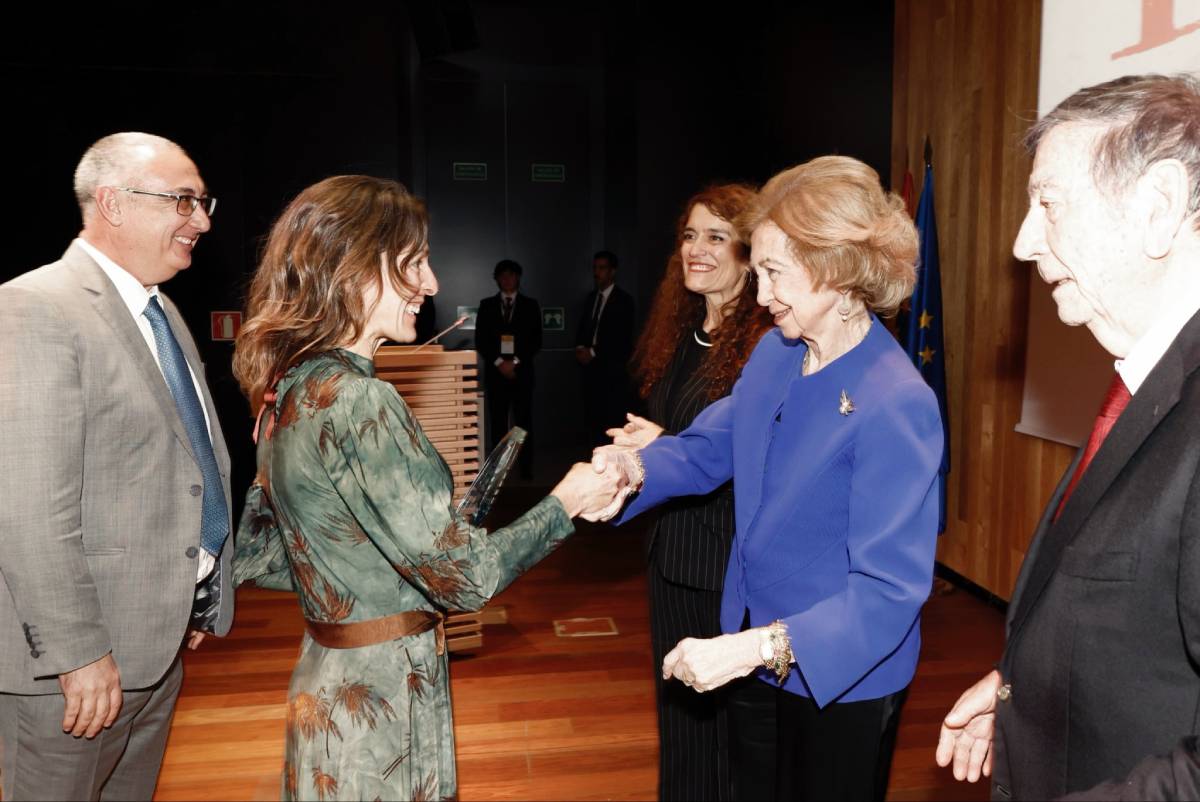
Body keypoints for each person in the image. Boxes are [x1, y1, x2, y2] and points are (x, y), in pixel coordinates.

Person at [231, 175, 621, 801]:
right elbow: (465, 582)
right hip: (385, 706)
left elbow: (259, 554)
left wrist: (397, 550)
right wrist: (566, 502)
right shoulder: (363, 399)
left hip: (326, 690)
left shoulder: (288, 387)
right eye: (413, 262)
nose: (432, 283)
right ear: (353, 268)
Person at [594, 156, 944, 801]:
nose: (760, 297)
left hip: (838, 674)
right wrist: (633, 468)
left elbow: (888, 592)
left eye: (776, 275)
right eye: (759, 273)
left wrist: (752, 649)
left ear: (839, 274)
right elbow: (710, 446)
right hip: (754, 647)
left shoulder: (897, 401)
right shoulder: (778, 352)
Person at [937, 73, 1200, 800]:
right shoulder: (1150, 380)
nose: (1023, 242)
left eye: (1048, 204)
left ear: (1160, 207)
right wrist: (1027, 692)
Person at [0, 132, 232, 800]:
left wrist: (190, 593)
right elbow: (26, 508)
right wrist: (78, 653)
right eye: (183, 201)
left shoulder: (161, 311)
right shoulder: (36, 308)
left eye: (203, 201)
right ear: (113, 202)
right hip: (76, 673)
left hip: (152, 644)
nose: (203, 220)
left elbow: (172, 469)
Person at [607, 183, 771, 801]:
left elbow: (751, 455)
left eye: (716, 237)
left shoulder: (766, 348)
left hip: (725, 560)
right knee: (678, 717)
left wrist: (666, 443)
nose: (696, 250)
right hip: (671, 552)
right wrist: (655, 439)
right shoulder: (679, 335)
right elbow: (690, 439)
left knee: (724, 724)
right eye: (689, 235)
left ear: (750, 255)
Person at [475, 259, 542, 479]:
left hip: (521, 374)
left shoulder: (531, 305)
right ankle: (497, 472)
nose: (507, 279)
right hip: (496, 376)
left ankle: (526, 470)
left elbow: (536, 341)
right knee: (497, 426)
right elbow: (481, 340)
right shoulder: (486, 305)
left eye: (511, 275)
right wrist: (499, 363)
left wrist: (514, 362)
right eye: (502, 275)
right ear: (496, 279)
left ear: (518, 277)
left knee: (524, 424)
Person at [575, 249, 636, 445]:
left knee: (610, 421)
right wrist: (580, 348)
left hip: (611, 373)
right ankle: (594, 458)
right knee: (591, 419)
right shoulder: (591, 298)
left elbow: (621, 337)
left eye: (602, 268)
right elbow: (583, 328)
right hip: (590, 371)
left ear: (612, 271)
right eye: (595, 268)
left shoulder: (624, 300)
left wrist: (593, 352)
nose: (597, 273)